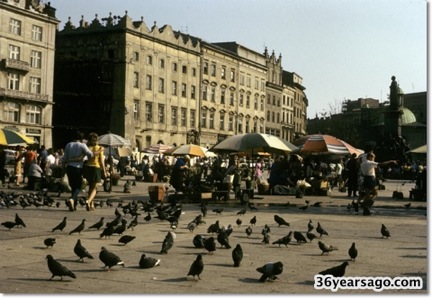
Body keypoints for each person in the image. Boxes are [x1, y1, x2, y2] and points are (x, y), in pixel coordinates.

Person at [62, 131, 100, 211]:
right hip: (78, 168)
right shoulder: (82, 145)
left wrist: (63, 169)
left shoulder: (68, 145)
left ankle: (73, 205)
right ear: (81, 138)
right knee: (78, 187)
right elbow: (90, 154)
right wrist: (99, 151)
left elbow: (64, 158)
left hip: (69, 167)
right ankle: (72, 199)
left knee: (73, 186)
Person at [82, 132, 107, 211]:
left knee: (90, 187)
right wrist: (104, 171)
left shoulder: (87, 147)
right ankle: (88, 201)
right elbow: (101, 160)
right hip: (96, 168)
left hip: (88, 168)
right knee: (95, 188)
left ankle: (91, 205)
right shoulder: (99, 148)